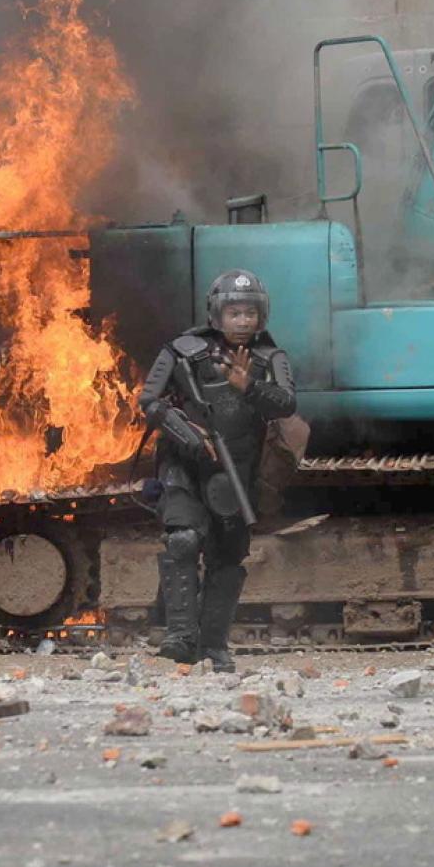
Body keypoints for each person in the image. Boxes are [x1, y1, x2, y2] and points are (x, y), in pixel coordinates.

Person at [138, 270, 296, 672]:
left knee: (227, 558)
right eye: (234, 312)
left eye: (249, 313)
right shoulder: (181, 350)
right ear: (216, 314)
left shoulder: (269, 357)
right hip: (185, 465)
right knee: (183, 539)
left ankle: (213, 645)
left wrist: (250, 388)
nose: (242, 321)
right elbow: (150, 400)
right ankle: (179, 637)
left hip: (236, 471)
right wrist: (186, 434)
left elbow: (285, 405)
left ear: (261, 316)